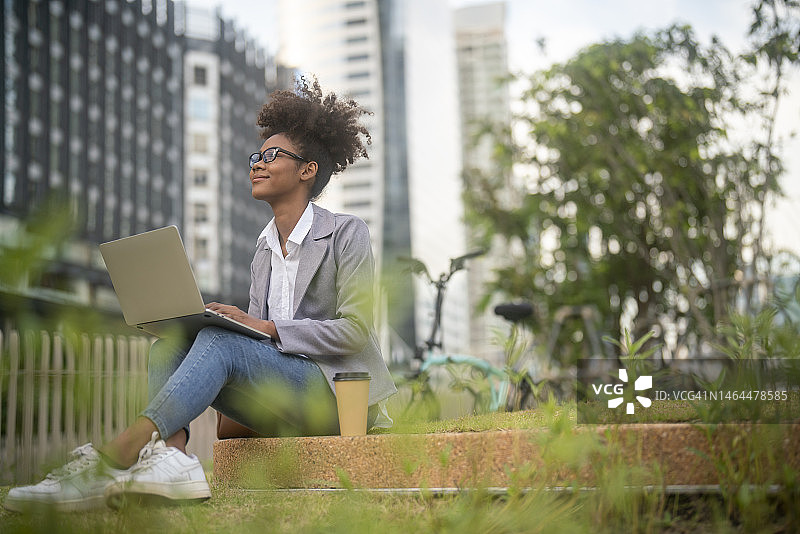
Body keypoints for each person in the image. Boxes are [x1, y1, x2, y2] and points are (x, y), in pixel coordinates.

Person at [4, 77, 397, 512]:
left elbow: (356, 331)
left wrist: (261, 327)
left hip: (334, 396)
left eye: (272, 155)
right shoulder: (263, 251)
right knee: (168, 344)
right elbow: (253, 345)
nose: (257, 163)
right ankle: (172, 459)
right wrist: (230, 326)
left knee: (221, 340)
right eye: (256, 155)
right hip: (279, 398)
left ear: (307, 170)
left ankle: (116, 457)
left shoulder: (345, 232)